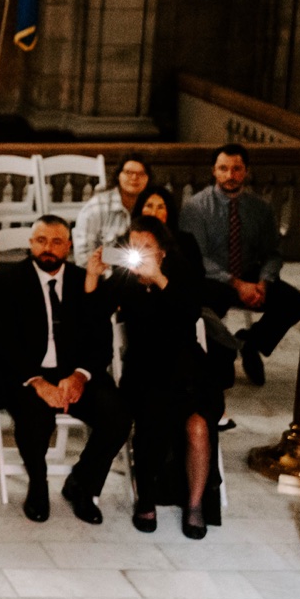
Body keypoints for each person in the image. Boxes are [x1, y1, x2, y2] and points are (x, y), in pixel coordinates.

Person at [86, 217, 232, 538]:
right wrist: (92, 278)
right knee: (152, 418)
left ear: (162, 251)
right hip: (144, 367)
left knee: (197, 425)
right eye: (135, 246)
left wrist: (160, 280)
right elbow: (95, 313)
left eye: (147, 247)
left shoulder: (180, 270)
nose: (140, 252)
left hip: (186, 365)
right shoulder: (126, 276)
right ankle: (146, 499)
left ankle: (195, 505)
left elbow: (190, 314)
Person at [0, 215, 132, 525]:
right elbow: (3, 342)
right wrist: (37, 382)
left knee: (117, 413)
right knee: (36, 416)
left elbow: (100, 342)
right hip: (23, 374)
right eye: (41, 241)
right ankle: (38, 485)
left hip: (74, 372)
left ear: (68, 245)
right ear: (30, 244)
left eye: (55, 242)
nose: (47, 248)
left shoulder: (85, 280)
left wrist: (79, 376)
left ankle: (83, 484)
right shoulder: (7, 280)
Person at [178, 143, 300, 387]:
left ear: (246, 171)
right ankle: (221, 355)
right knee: (205, 308)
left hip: (248, 272)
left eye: (236, 169)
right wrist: (237, 285)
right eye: (223, 168)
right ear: (213, 171)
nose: (230, 175)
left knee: (296, 303)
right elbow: (198, 257)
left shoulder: (260, 208)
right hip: (212, 278)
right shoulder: (196, 207)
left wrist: (264, 283)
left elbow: (272, 253)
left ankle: (250, 343)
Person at [72, 154, 151, 261]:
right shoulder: (97, 207)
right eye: (128, 172)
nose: (134, 178)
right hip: (103, 274)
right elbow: (83, 255)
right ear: (118, 176)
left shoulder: (151, 207)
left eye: (140, 174)